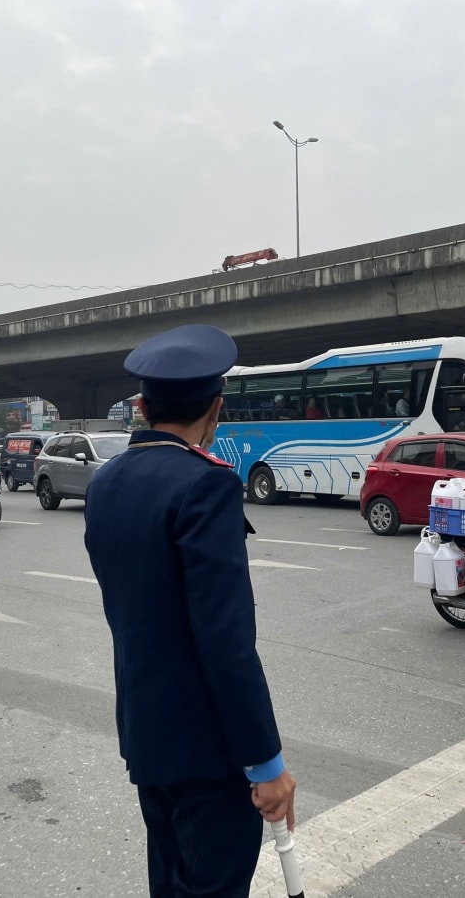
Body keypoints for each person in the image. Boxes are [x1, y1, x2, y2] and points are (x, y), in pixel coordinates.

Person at [84, 323, 296, 898]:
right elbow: (225, 641)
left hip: (147, 735)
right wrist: (266, 764)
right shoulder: (206, 487)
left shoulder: (106, 484)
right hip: (208, 750)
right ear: (216, 410)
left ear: (142, 406)